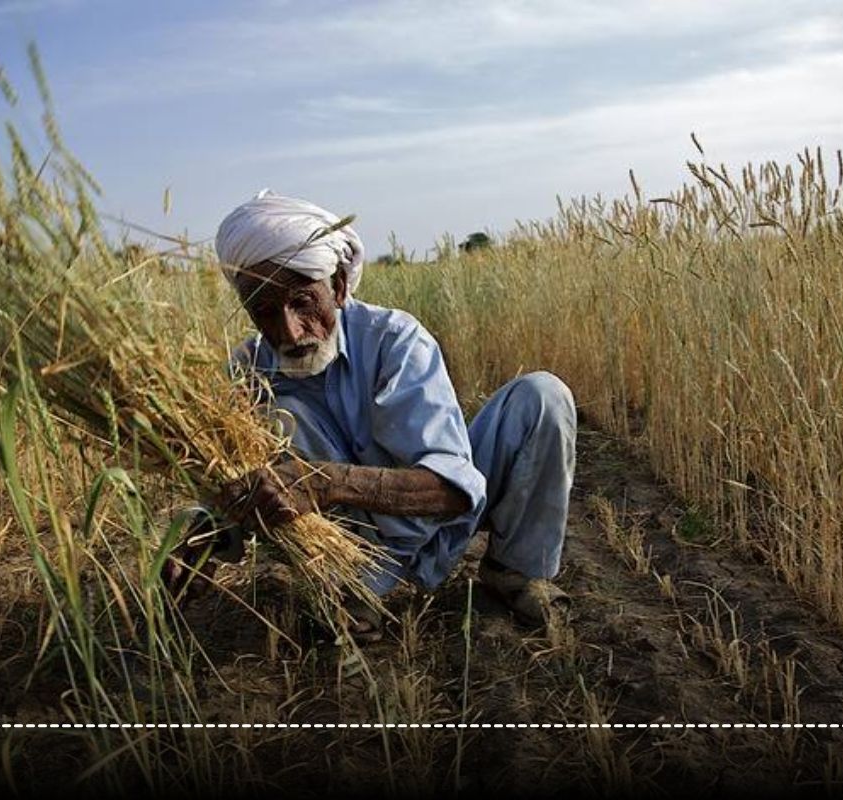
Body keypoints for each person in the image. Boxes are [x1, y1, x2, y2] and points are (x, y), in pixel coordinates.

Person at [167, 190, 576, 641]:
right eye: (264, 310)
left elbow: (455, 492)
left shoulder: (395, 340)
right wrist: (195, 540)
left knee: (542, 397)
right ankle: (351, 589)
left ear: (338, 286)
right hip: (356, 559)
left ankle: (513, 573)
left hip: (442, 522)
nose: (289, 331)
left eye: (302, 302)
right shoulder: (247, 374)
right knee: (286, 413)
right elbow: (231, 487)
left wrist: (324, 482)